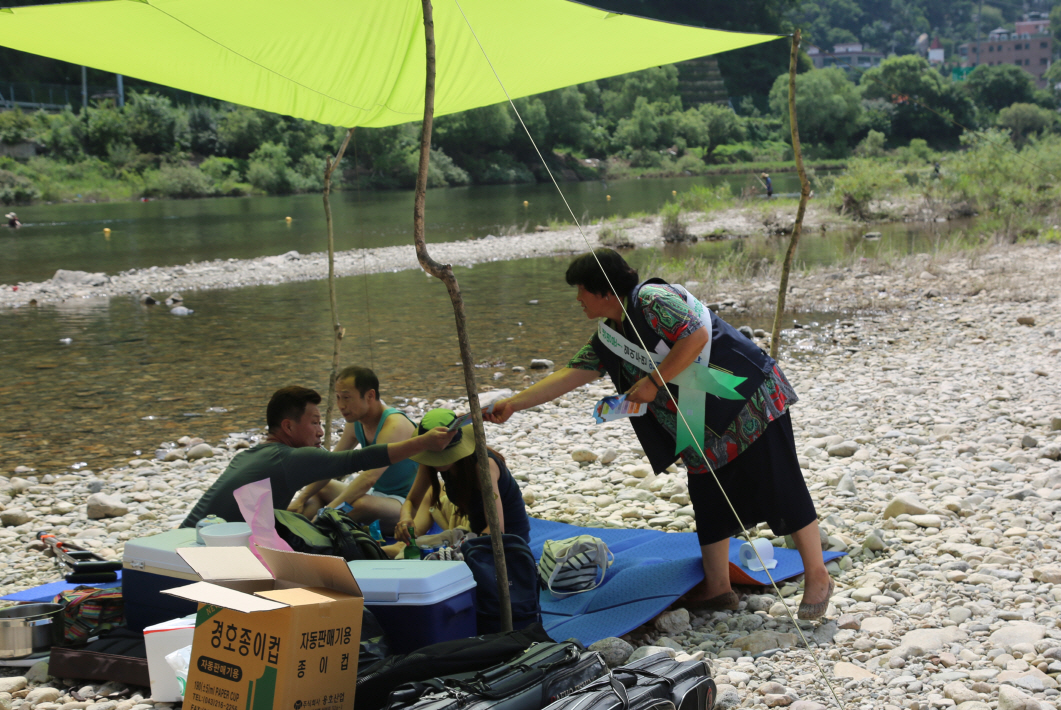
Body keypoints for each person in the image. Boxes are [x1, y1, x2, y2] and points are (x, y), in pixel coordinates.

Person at [485, 248, 833, 620]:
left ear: (604, 290)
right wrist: (514, 403)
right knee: (708, 496)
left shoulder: (652, 299)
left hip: (747, 400)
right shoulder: (609, 336)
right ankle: (718, 588)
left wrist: (653, 381)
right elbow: (571, 375)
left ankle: (818, 576)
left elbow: (696, 335)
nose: (578, 299)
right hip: (700, 423)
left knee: (781, 483)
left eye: (581, 290)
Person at [181, 386, 455, 528]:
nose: (321, 432)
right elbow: (360, 460)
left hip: (184, 540)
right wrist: (423, 441)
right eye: (314, 423)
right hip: (200, 553)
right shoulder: (291, 458)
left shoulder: (251, 455)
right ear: (288, 427)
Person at [288, 367, 418, 533]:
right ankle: (293, 529)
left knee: (361, 504)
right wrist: (300, 499)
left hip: (407, 503)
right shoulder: (356, 421)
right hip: (377, 494)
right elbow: (332, 465)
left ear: (370, 396)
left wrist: (328, 510)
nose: (341, 405)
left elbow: (369, 478)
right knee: (320, 488)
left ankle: (312, 534)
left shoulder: (394, 425)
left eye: (347, 398)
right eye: (338, 397)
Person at [395, 408, 530, 545]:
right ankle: (405, 543)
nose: (437, 461)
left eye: (442, 456)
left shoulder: (484, 467)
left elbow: (496, 529)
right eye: (432, 456)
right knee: (412, 547)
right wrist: (405, 518)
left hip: (506, 539)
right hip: (474, 527)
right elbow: (412, 501)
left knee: (430, 550)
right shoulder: (429, 460)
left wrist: (465, 547)